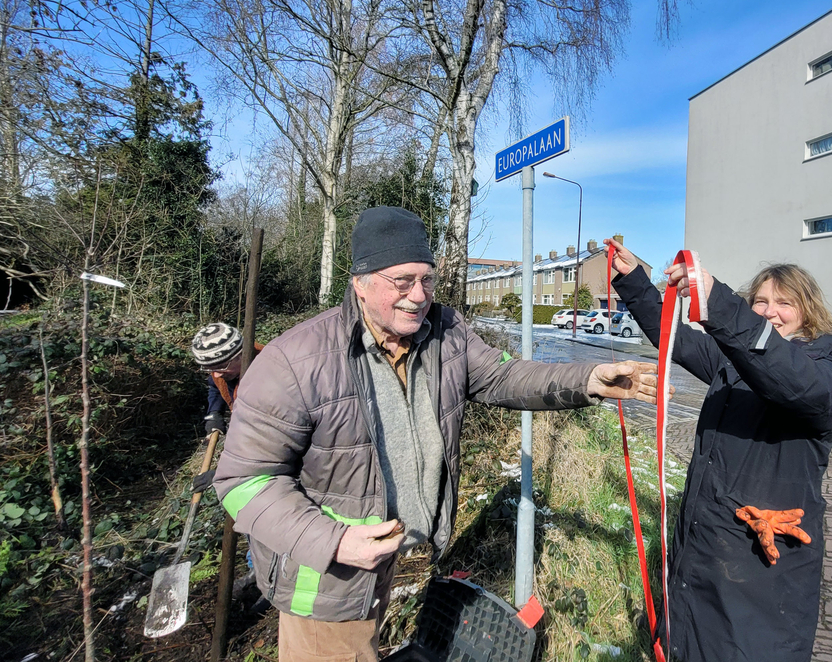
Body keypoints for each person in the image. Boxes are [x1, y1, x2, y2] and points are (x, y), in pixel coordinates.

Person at [213, 206, 663, 662]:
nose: (418, 296)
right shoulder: (295, 362)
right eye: (402, 282)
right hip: (326, 577)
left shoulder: (445, 333)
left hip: (382, 561)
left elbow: (503, 378)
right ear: (360, 284)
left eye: (427, 280)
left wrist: (588, 380)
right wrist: (333, 542)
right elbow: (243, 482)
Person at [603, 237, 832, 662]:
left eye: (784, 302)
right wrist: (635, 281)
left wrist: (717, 301)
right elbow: (676, 339)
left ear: (807, 310)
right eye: (759, 302)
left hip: (761, 561)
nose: (770, 311)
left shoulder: (828, 365)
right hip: (705, 546)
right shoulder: (732, 361)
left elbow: (794, 383)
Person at [190, 322, 261, 437]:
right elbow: (216, 386)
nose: (216, 375)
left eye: (222, 366)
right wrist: (215, 413)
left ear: (241, 355)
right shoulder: (221, 371)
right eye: (210, 368)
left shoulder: (269, 370)